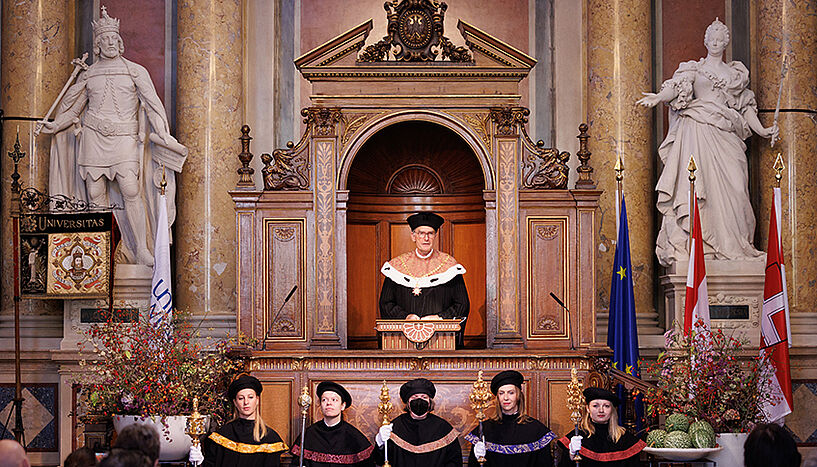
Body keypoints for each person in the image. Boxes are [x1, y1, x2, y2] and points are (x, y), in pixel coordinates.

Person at [41, 6, 187, 266]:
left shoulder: (135, 71)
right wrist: (57, 125)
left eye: (113, 39)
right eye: (104, 40)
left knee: (131, 189)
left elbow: (152, 105)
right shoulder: (89, 74)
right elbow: (74, 108)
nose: (109, 43)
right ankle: (100, 251)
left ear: (119, 43)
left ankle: (141, 248)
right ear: (97, 44)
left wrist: (163, 133)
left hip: (124, 138)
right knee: (95, 192)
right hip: (93, 139)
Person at [636, 18, 778, 267]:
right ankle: (706, 248)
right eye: (711, 37)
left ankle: (738, 247)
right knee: (699, 190)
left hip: (727, 136)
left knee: (736, 189)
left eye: (719, 38)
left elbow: (746, 109)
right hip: (698, 133)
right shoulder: (694, 69)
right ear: (705, 41)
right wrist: (659, 97)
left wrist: (763, 130)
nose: (714, 41)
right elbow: (676, 89)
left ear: (726, 42)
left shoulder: (736, 75)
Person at [379, 212, 469, 345]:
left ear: (435, 236)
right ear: (413, 236)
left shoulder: (450, 266)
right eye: (421, 233)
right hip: (402, 340)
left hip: (442, 339)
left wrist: (439, 318)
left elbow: (462, 304)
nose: (425, 238)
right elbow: (386, 304)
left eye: (430, 233)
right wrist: (406, 317)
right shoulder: (396, 266)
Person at [465, 370, 556, 466]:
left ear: (518, 395)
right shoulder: (484, 430)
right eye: (501, 393)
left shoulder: (537, 430)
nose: (506, 398)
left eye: (511, 393)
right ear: (497, 398)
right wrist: (478, 459)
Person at [194, 374, 287, 467]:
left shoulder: (270, 439)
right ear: (235, 402)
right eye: (241, 398)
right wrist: (200, 462)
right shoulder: (222, 436)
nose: (246, 402)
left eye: (250, 397)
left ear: (257, 400)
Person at [374, 378, 461, 467]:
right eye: (415, 397)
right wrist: (380, 443)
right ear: (408, 402)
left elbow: (454, 462)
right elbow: (380, 460)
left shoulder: (443, 428)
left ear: (430, 402)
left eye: (424, 397)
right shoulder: (394, 427)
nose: (419, 400)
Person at [290, 381, 375, 466]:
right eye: (324, 400)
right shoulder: (309, 434)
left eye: (334, 400)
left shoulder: (354, 436)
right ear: (320, 406)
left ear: (343, 406)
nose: (329, 403)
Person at [557, 387, 645, 467]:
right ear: (588, 408)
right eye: (595, 406)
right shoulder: (577, 437)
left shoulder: (626, 439)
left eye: (606, 406)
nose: (601, 410)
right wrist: (571, 455)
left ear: (612, 409)